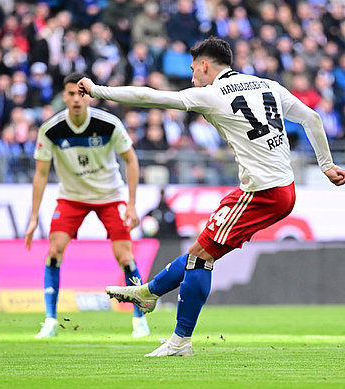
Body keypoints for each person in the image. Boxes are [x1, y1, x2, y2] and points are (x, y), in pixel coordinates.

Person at [77, 37, 345, 356]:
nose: (193, 78)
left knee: (200, 258)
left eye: (194, 70)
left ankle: (179, 339)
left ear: (205, 65)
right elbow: (312, 119)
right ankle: (149, 294)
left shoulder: (212, 94)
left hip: (263, 192)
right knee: (198, 252)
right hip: (281, 188)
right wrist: (327, 165)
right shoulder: (267, 85)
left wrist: (98, 90)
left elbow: (150, 96)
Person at [24, 73, 150, 339]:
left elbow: (131, 160)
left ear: (89, 96)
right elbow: (41, 174)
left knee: (124, 256)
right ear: (64, 97)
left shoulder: (109, 124)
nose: (76, 99)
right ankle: (50, 321)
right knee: (54, 249)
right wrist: (34, 216)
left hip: (110, 196)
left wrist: (132, 205)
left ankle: (139, 318)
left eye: (80, 93)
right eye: (70, 94)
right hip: (71, 197)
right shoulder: (51, 129)